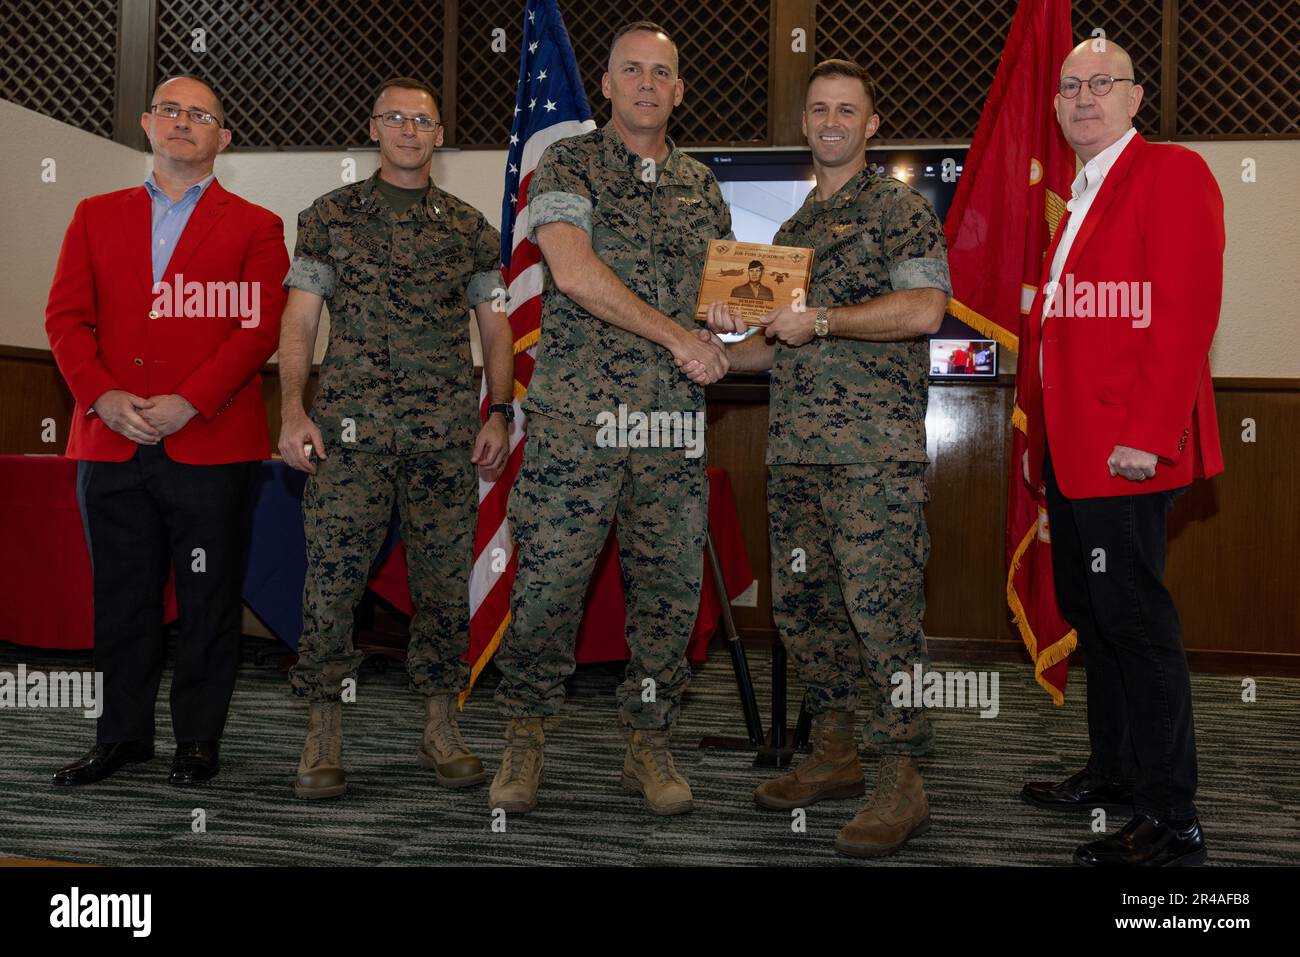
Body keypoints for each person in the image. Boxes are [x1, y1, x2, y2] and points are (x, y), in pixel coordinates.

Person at [706, 59, 950, 857]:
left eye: (849, 110)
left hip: (873, 459)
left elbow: (923, 308)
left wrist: (828, 320)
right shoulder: (789, 236)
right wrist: (708, 348)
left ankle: (899, 773)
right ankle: (838, 752)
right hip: (798, 460)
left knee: (883, 620)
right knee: (808, 616)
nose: (834, 121)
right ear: (805, 123)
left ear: (871, 126)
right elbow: (776, 351)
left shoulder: (901, 211)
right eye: (820, 109)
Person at [489, 21, 732, 816]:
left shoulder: (702, 185)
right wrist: (678, 335)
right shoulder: (568, 163)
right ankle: (525, 737)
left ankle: (648, 742)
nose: (647, 84)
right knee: (549, 587)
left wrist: (729, 318)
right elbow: (574, 270)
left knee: (666, 594)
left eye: (662, 72)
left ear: (680, 90)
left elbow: (718, 298)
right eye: (632, 70)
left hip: (670, 428)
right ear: (606, 83)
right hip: (577, 425)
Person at [46, 75, 287, 787]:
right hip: (111, 442)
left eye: (201, 115)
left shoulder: (256, 225)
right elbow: (64, 320)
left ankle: (197, 741)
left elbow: (257, 329)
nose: (184, 122)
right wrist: (100, 394)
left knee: (209, 600)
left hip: (210, 445)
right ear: (148, 123)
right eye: (171, 110)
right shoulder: (93, 214)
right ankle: (121, 736)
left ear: (223, 138)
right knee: (121, 599)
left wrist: (191, 399)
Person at [278, 77, 513, 800]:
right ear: (374, 128)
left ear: (438, 135)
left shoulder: (471, 229)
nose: (410, 129)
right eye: (396, 118)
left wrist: (499, 409)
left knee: (443, 588)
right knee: (332, 586)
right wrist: (292, 408)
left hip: (444, 438)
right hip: (348, 436)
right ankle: (323, 732)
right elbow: (300, 318)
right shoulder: (329, 217)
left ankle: (440, 726)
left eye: (424, 120)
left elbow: (496, 325)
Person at [1019, 40, 1224, 867]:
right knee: (1095, 617)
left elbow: (1183, 312)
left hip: (1125, 452)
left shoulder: (1169, 173)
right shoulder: (1077, 198)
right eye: (1070, 87)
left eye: (1102, 84)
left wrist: (1145, 432)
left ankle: (1174, 819)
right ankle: (1114, 772)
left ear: (1136, 98)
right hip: (1074, 457)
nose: (1083, 98)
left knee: (1138, 628)